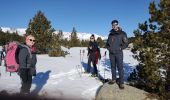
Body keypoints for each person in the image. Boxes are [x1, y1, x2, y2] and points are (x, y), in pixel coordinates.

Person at [106, 20, 128, 89]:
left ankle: (121, 83)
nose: (114, 26)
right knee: (113, 67)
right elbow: (107, 43)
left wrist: (121, 48)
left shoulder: (122, 33)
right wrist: (108, 47)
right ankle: (114, 79)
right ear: (112, 25)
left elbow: (126, 43)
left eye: (115, 24)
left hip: (119, 54)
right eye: (113, 25)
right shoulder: (110, 34)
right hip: (111, 54)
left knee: (120, 68)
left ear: (118, 25)